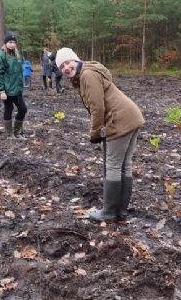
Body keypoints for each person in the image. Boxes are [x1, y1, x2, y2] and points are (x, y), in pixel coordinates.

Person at [56, 48, 145, 222]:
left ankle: (109, 211)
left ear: (76, 60)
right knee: (124, 164)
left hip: (119, 120)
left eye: (68, 62)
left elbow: (97, 107)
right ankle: (121, 211)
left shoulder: (87, 75)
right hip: (131, 116)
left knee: (112, 165)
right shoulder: (88, 71)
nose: (66, 68)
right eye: (61, 66)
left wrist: (95, 132)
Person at [0, 32, 27, 139]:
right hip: (7, 89)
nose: (12, 44)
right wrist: (1, 91)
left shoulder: (16, 54)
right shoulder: (1, 55)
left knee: (23, 109)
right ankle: (9, 134)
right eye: (10, 42)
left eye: (14, 42)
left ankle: (17, 132)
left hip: (17, 89)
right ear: (6, 43)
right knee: (9, 109)